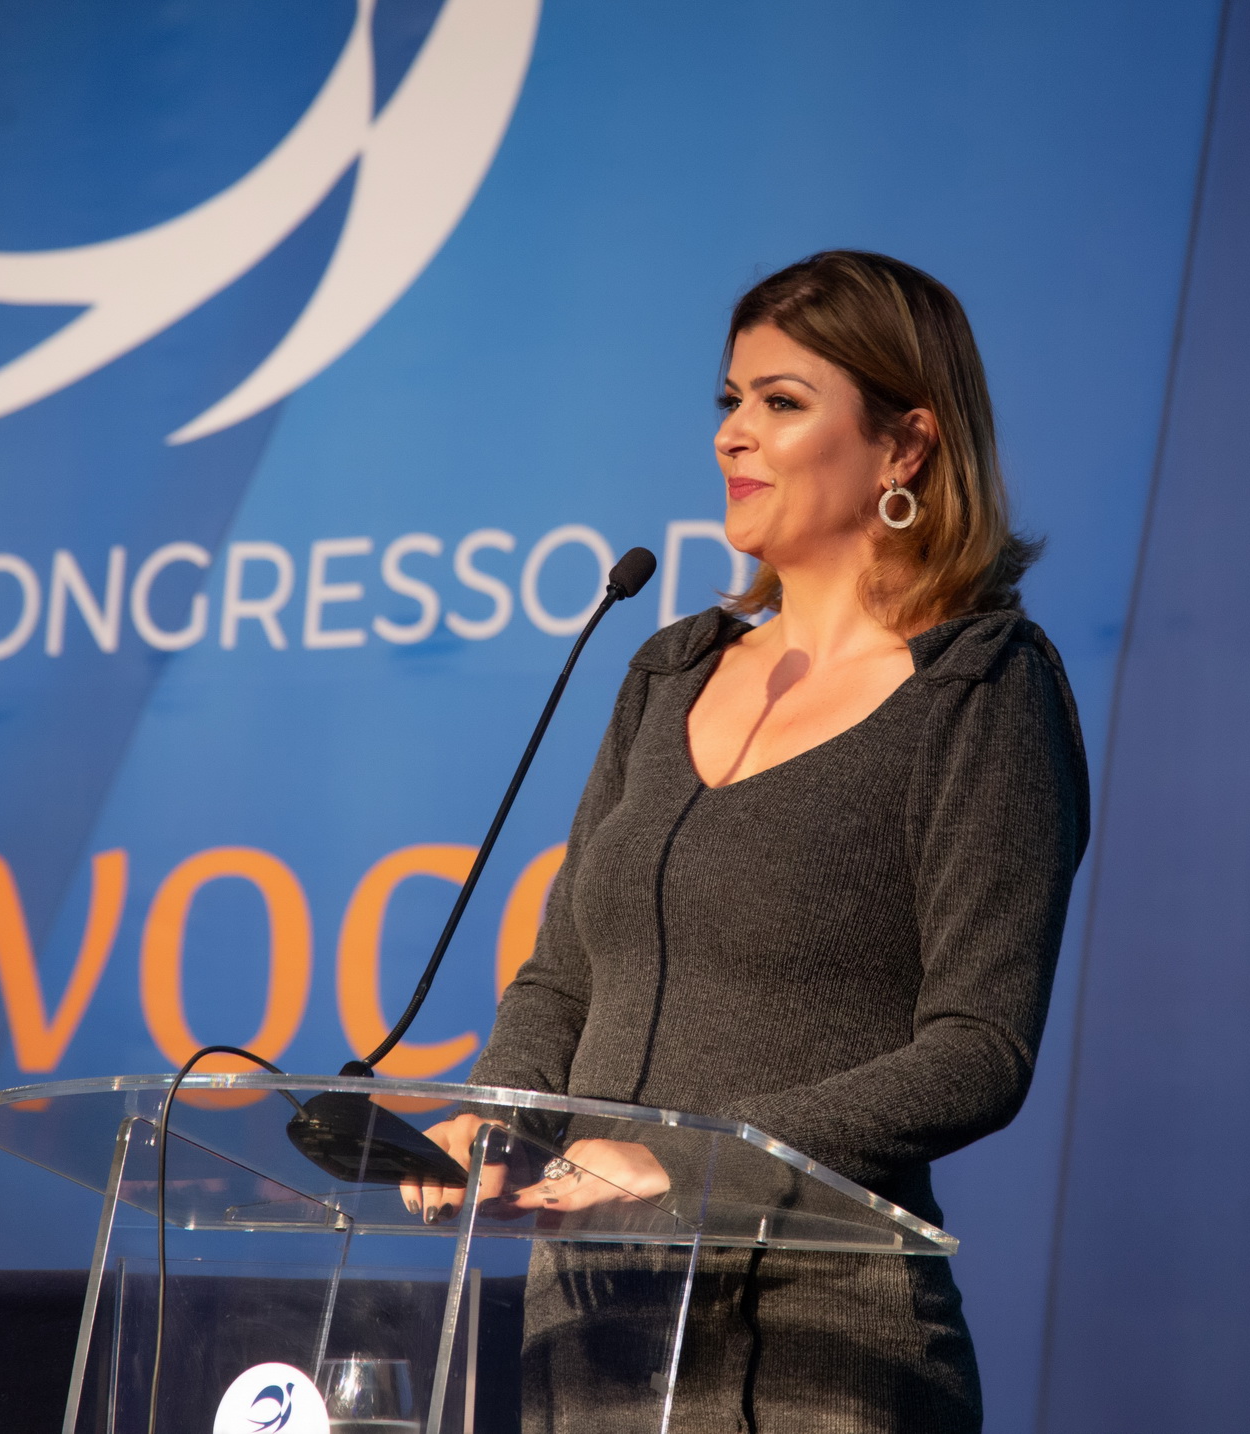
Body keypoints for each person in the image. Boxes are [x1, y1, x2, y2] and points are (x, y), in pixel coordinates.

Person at [403, 251, 1089, 1430]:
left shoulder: (979, 687)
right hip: (590, 1339)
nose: (732, 433)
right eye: (729, 399)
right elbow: (564, 979)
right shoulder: (667, 670)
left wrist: (692, 1163)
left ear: (904, 447)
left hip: (817, 1349)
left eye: (780, 401)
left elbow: (978, 1047)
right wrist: (497, 1124)